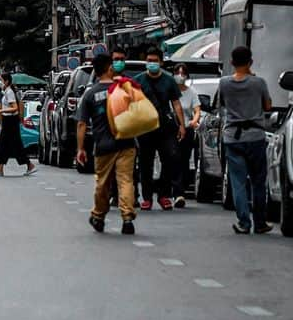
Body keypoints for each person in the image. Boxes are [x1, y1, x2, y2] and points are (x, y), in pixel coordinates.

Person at [76, 48, 136, 234]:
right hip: (126, 142)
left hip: (103, 145)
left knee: (103, 184)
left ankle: (99, 215)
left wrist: (80, 149)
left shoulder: (90, 94)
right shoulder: (125, 89)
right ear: (109, 68)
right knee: (125, 181)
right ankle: (127, 218)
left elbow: (82, 124)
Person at [216, 46, 273, 235]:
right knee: (258, 181)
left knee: (238, 181)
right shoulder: (259, 83)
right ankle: (260, 222)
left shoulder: (224, 83)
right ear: (251, 62)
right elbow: (267, 105)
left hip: (233, 137)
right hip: (256, 136)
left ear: (232, 62)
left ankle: (243, 222)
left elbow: (221, 104)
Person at [137, 44, 185, 211]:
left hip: (165, 126)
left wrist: (182, 125)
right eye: (149, 61)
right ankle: (147, 197)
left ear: (161, 63)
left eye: (155, 61)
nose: (152, 64)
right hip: (144, 128)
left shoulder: (169, 80)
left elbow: (176, 104)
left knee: (169, 159)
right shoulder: (139, 81)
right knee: (145, 164)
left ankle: (164, 195)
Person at [0, 71, 35, 177]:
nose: (0, 83)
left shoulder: (9, 92)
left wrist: (0, 111)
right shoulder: (6, 92)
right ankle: (0, 169)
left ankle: (28, 165)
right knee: (7, 145)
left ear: (6, 81)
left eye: (1, 80)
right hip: (8, 120)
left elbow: (14, 108)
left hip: (11, 121)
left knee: (7, 144)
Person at [174, 65, 203, 198]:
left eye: (183, 73)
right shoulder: (171, 91)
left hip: (187, 129)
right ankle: (177, 191)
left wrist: (194, 121)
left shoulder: (191, 92)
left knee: (184, 159)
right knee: (174, 158)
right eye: (178, 73)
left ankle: (182, 185)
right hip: (172, 129)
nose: (180, 75)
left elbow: (197, 110)